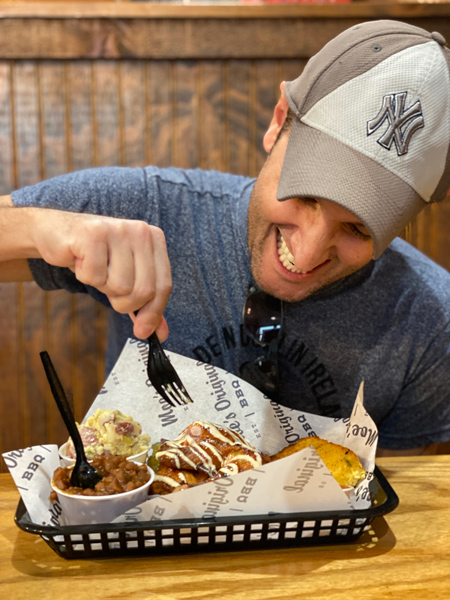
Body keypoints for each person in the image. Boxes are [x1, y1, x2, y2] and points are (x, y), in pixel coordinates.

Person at [1, 20, 450, 456]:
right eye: (307, 195)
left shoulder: (430, 321)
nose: (309, 251)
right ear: (278, 123)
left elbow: (399, 506)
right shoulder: (156, 207)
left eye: (358, 228)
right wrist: (36, 228)